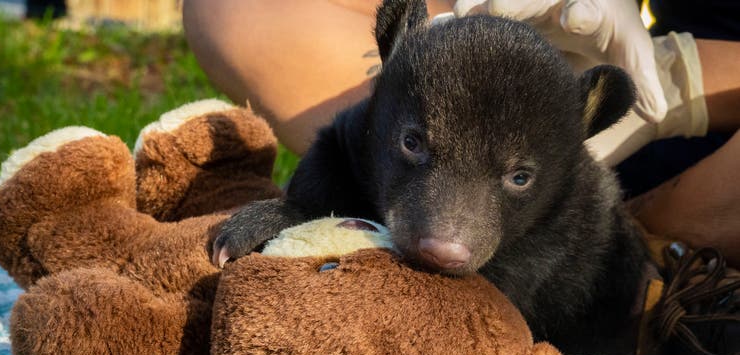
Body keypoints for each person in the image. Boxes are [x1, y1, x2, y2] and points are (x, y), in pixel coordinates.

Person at [182, 0, 740, 267]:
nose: (441, 242)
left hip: (616, 185)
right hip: (573, 88)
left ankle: (663, 271)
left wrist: (680, 80)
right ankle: (326, 209)